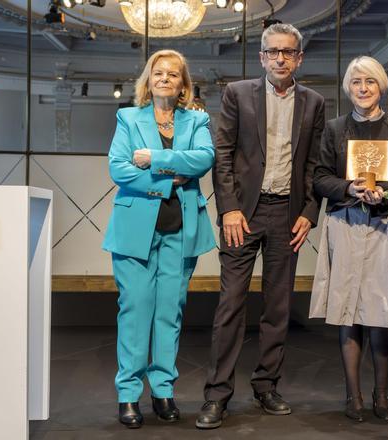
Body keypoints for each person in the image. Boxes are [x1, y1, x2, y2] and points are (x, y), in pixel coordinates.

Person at [196, 23, 325, 429]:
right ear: (262, 57)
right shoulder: (238, 94)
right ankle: (217, 394)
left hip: (287, 216)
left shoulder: (314, 102)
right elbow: (224, 154)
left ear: (299, 58)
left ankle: (266, 385)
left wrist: (309, 211)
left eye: (288, 52)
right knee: (230, 304)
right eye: (273, 52)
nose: (280, 59)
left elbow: (313, 164)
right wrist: (229, 209)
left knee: (278, 307)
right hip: (242, 215)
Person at [102, 49, 216, 429]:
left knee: (170, 312)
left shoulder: (197, 120)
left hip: (181, 230)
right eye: (158, 73)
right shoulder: (128, 117)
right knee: (135, 311)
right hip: (135, 231)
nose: (165, 79)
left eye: (173, 74)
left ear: (184, 84)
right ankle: (129, 394)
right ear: (148, 80)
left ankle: (163, 389)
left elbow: (203, 159)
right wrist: (171, 175)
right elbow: (118, 168)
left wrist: (152, 158)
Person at [309, 56, 388, 422]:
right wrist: (350, 187)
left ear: (381, 86)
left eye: (370, 82)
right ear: (348, 87)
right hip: (345, 223)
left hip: (385, 225)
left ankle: (382, 394)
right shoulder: (334, 128)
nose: (363, 88)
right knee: (348, 310)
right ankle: (352, 395)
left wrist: (383, 191)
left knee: (381, 312)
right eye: (356, 82)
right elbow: (320, 177)